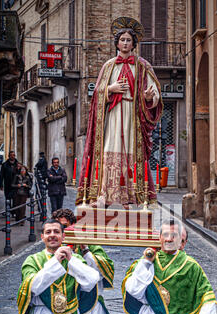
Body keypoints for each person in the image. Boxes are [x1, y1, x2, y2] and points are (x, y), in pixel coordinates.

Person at [76, 17, 163, 209]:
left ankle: (131, 198)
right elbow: (97, 93)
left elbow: (155, 91)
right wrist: (111, 89)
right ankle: (103, 195)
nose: (125, 43)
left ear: (134, 43)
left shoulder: (142, 66)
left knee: (130, 153)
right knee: (108, 150)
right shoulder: (109, 66)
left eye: (128, 40)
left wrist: (150, 97)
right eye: (122, 40)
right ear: (117, 43)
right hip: (113, 115)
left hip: (132, 115)